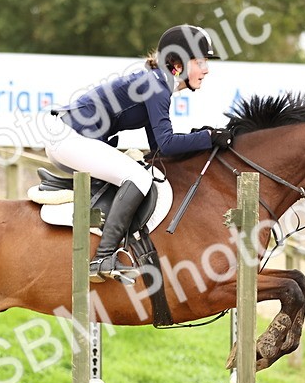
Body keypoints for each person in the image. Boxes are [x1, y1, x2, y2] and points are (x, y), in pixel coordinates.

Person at [44, 24, 232, 282]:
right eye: (200, 61)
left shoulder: (157, 81)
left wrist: (201, 136)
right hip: (69, 138)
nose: (207, 69)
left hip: (69, 137)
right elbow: (167, 144)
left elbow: (157, 149)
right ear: (178, 61)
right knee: (139, 178)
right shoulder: (156, 85)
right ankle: (103, 257)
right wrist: (208, 138)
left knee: (139, 170)